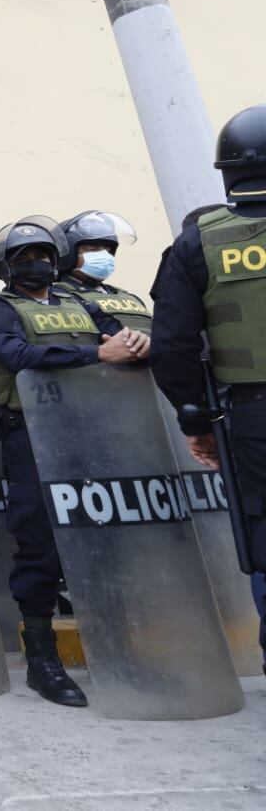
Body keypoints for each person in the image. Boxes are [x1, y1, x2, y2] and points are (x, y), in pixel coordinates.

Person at [0, 215, 149, 708]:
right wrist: (99, 354)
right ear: (5, 267)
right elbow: (20, 354)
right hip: (30, 433)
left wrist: (138, 344)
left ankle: (121, 644)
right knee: (40, 542)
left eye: (44, 256)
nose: (36, 264)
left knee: (108, 534)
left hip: (92, 430)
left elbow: (120, 338)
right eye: (24, 258)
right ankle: (42, 659)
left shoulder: (78, 302)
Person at [151, 106, 266, 671]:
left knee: (264, 536)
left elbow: (172, 347)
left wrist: (196, 422)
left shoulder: (199, 244)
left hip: (253, 416)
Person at [57, 210, 151, 333]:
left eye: (107, 250)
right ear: (68, 256)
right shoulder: (58, 296)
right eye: (93, 250)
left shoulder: (130, 298)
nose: (104, 256)